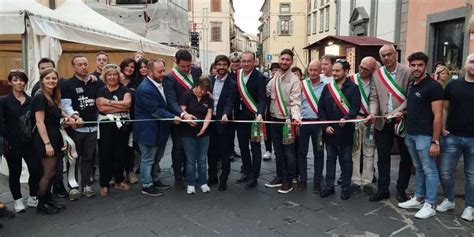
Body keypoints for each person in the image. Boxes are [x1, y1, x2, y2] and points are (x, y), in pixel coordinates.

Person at [397, 52, 443, 219]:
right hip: (411, 134)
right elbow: (415, 109)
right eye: (413, 65)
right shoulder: (413, 85)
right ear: (410, 66)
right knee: (418, 168)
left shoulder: (433, 86)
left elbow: (438, 115)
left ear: (425, 66)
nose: (416, 68)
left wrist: (435, 141)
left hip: (425, 136)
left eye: (420, 65)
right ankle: (418, 198)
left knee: (430, 169)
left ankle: (430, 204)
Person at [367, 45, 413, 203]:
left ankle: (401, 190)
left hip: (402, 120)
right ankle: (383, 189)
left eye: (389, 54)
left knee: (405, 157)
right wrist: (372, 112)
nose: (386, 58)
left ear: (395, 55)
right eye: (383, 55)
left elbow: (410, 97)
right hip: (382, 121)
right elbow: (373, 97)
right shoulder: (377, 74)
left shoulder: (407, 71)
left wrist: (396, 112)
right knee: (383, 157)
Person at [436, 54, 474, 222]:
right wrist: (443, 128)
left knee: (472, 175)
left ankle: (469, 206)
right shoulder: (452, 86)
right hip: (452, 136)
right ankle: (449, 200)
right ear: (465, 64)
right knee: (445, 172)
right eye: (472, 61)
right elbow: (444, 109)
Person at [135, 60, 180, 197]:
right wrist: (173, 118)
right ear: (149, 72)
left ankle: (154, 179)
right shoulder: (145, 89)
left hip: (160, 129)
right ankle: (147, 185)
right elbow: (155, 111)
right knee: (148, 159)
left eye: (163, 70)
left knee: (157, 157)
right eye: (159, 71)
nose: (163, 74)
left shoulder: (160, 83)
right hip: (148, 131)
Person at [61, 55, 103, 200]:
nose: (83, 67)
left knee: (88, 158)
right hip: (76, 128)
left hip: (92, 128)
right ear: (73, 67)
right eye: (79, 64)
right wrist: (75, 116)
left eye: (85, 64)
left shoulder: (95, 82)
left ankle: (86, 185)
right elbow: (66, 105)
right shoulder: (67, 84)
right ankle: (72, 187)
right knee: (73, 158)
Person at [318, 59, 360, 200]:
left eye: (337, 71)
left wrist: (347, 117)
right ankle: (329, 187)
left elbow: (355, 108)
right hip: (330, 131)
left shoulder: (353, 88)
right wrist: (325, 125)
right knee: (330, 159)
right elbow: (321, 109)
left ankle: (345, 188)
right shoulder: (328, 88)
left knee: (346, 160)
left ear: (346, 72)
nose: (334, 73)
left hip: (346, 130)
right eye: (334, 70)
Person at [2, 70, 41, 213]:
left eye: (22, 80)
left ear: (25, 82)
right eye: (16, 80)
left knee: (36, 170)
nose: (19, 83)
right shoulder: (4, 101)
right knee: (15, 172)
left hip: (29, 142)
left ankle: (32, 196)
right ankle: (17, 200)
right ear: (10, 82)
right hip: (12, 143)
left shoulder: (32, 100)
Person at [264, 49, 301, 194]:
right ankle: (280, 176)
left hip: (287, 121)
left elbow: (296, 102)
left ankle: (289, 180)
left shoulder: (295, 81)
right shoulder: (275, 78)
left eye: (287, 59)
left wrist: (296, 118)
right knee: (278, 150)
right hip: (274, 119)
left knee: (289, 152)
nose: (284, 62)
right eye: (282, 59)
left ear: (291, 62)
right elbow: (267, 92)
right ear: (279, 60)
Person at [30, 58, 68, 198]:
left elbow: (59, 110)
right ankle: (42, 202)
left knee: (53, 172)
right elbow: (39, 122)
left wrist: (70, 117)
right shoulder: (40, 97)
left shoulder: (52, 95)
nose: (51, 81)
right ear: (42, 80)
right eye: (48, 78)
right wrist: (47, 144)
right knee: (47, 173)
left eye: (54, 78)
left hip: (55, 137)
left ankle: (48, 199)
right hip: (45, 140)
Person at [164, 49, 199, 190]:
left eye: (188, 66)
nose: (186, 69)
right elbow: (171, 101)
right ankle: (178, 176)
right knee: (178, 148)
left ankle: (188, 173)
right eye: (183, 66)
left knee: (191, 148)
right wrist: (183, 115)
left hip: (195, 117)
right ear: (176, 63)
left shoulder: (196, 72)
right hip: (179, 118)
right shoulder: (170, 78)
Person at [96, 64, 133, 197]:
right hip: (106, 125)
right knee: (105, 154)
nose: (112, 77)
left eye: (115, 74)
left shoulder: (125, 90)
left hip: (122, 124)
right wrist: (119, 106)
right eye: (109, 75)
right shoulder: (101, 90)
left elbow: (127, 105)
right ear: (105, 77)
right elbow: (101, 109)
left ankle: (118, 180)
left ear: (119, 76)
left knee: (120, 153)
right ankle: (104, 184)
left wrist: (109, 102)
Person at [234, 51, 266, 190]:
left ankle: (254, 176)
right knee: (242, 146)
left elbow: (262, 99)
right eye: (244, 61)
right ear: (241, 62)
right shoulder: (237, 75)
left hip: (253, 117)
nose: (246, 64)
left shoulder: (260, 78)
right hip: (240, 117)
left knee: (255, 148)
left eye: (249, 61)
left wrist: (259, 113)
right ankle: (246, 171)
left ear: (254, 62)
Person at [207, 55, 236, 191]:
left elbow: (230, 101)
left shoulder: (232, 83)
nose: (222, 67)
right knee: (211, 151)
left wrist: (226, 114)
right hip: (210, 121)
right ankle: (212, 176)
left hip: (224, 122)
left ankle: (223, 179)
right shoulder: (210, 80)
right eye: (219, 64)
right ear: (215, 66)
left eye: (224, 64)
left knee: (224, 153)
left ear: (228, 66)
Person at [349, 57, 378, 195]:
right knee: (355, 150)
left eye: (366, 69)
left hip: (370, 120)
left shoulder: (376, 81)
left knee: (369, 151)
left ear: (373, 70)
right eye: (360, 67)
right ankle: (355, 180)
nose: (362, 70)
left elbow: (376, 99)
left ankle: (367, 181)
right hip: (355, 119)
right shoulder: (351, 79)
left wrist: (371, 114)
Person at [180, 77, 213, 194]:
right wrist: (188, 117)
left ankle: (203, 182)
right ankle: (191, 183)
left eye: (205, 91)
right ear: (197, 85)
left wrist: (204, 128)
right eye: (201, 89)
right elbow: (182, 110)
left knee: (202, 159)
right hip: (187, 133)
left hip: (204, 133)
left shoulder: (208, 97)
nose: (202, 92)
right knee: (191, 159)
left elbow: (209, 114)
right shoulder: (187, 95)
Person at [297, 60, 326, 193]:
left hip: (318, 124)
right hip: (303, 123)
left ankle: (317, 182)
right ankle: (302, 180)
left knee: (318, 153)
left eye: (316, 70)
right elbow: (295, 103)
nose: (313, 73)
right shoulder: (301, 85)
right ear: (307, 70)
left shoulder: (326, 86)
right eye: (311, 70)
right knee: (301, 153)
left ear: (321, 70)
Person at [119, 58, 139, 184]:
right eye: (127, 66)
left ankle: (130, 171)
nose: (129, 68)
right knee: (117, 147)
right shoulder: (115, 80)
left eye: (132, 67)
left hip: (132, 117)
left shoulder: (136, 82)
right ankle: (117, 173)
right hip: (116, 118)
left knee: (130, 146)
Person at [263, 63, 280, 161]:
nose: (275, 72)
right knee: (268, 132)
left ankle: (279, 151)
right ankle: (268, 150)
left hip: (281, 111)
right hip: (269, 110)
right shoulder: (267, 82)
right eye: (273, 70)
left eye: (277, 69)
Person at [228, 52, 242, 160]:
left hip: (242, 106)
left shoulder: (243, 74)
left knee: (241, 132)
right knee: (230, 131)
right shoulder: (228, 75)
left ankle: (237, 150)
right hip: (231, 106)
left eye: (238, 61)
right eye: (233, 61)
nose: (236, 63)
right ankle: (230, 150)